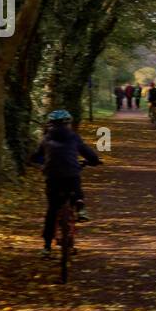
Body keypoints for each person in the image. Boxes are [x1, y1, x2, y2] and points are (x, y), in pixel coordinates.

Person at [29, 109, 101, 258]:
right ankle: (80, 206)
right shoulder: (73, 137)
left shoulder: (46, 139)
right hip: (71, 174)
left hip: (52, 176)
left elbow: (35, 157)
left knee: (52, 210)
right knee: (75, 185)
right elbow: (87, 152)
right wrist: (94, 161)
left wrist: (40, 164)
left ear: (50, 124)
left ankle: (47, 247)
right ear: (68, 123)